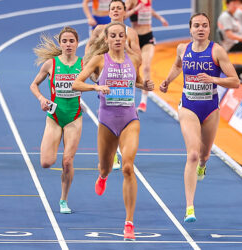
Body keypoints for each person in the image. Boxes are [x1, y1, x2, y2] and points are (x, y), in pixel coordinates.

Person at [72, 22, 154, 240]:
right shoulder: (99, 60)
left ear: (125, 39)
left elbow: (136, 82)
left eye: (121, 36)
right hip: (107, 121)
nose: (118, 39)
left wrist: (145, 85)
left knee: (128, 167)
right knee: (107, 167)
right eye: (114, 36)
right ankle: (103, 174)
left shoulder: (135, 59)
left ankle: (129, 223)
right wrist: (96, 87)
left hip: (130, 120)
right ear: (106, 39)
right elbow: (76, 83)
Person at [160, 13, 240, 222]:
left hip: (211, 108)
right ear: (190, 29)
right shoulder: (182, 49)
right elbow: (178, 65)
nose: (201, 29)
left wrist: (213, 78)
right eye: (197, 26)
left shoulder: (216, 51)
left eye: (204, 25)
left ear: (209, 29)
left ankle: (204, 164)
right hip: (188, 106)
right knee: (193, 155)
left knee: (204, 155)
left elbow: (235, 81)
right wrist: (168, 81)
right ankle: (189, 208)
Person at [30, 27, 83, 214]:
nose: (68, 44)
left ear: (77, 43)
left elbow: (99, 79)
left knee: (67, 161)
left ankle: (63, 200)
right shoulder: (50, 64)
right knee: (46, 162)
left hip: (74, 118)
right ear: (60, 44)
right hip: (54, 117)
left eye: (71, 41)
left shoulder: (83, 64)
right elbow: (34, 84)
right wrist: (41, 99)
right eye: (65, 41)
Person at [85, 0, 142, 170]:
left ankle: (118, 151)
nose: (116, 11)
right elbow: (90, 45)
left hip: (124, 74)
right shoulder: (100, 30)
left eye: (119, 8)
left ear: (124, 12)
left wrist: (126, 48)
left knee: (121, 109)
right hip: (105, 73)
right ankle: (114, 153)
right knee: (108, 107)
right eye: (113, 9)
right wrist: (89, 61)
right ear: (109, 13)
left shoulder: (131, 33)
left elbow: (138, 57)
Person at [125, 0, 168, 112]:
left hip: (148, 37)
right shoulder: (131, 1)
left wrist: (160, 18)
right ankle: (129, 99)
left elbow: (149, 10)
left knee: (146, 67)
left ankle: (143, 102)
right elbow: (123, 15)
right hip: (135, 40)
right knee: (132, 69)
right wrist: (136, 8)